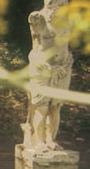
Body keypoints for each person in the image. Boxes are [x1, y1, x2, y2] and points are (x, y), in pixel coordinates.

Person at [24, 10, 71, 152]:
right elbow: (33, 52)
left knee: (55, 107)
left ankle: (50, 139)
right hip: (41, 69)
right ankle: (39, 141)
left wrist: (65, 66)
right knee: (41, 107)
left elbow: (67, 52)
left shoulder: (67, 23)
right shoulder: (39, 20)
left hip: (61, 70)